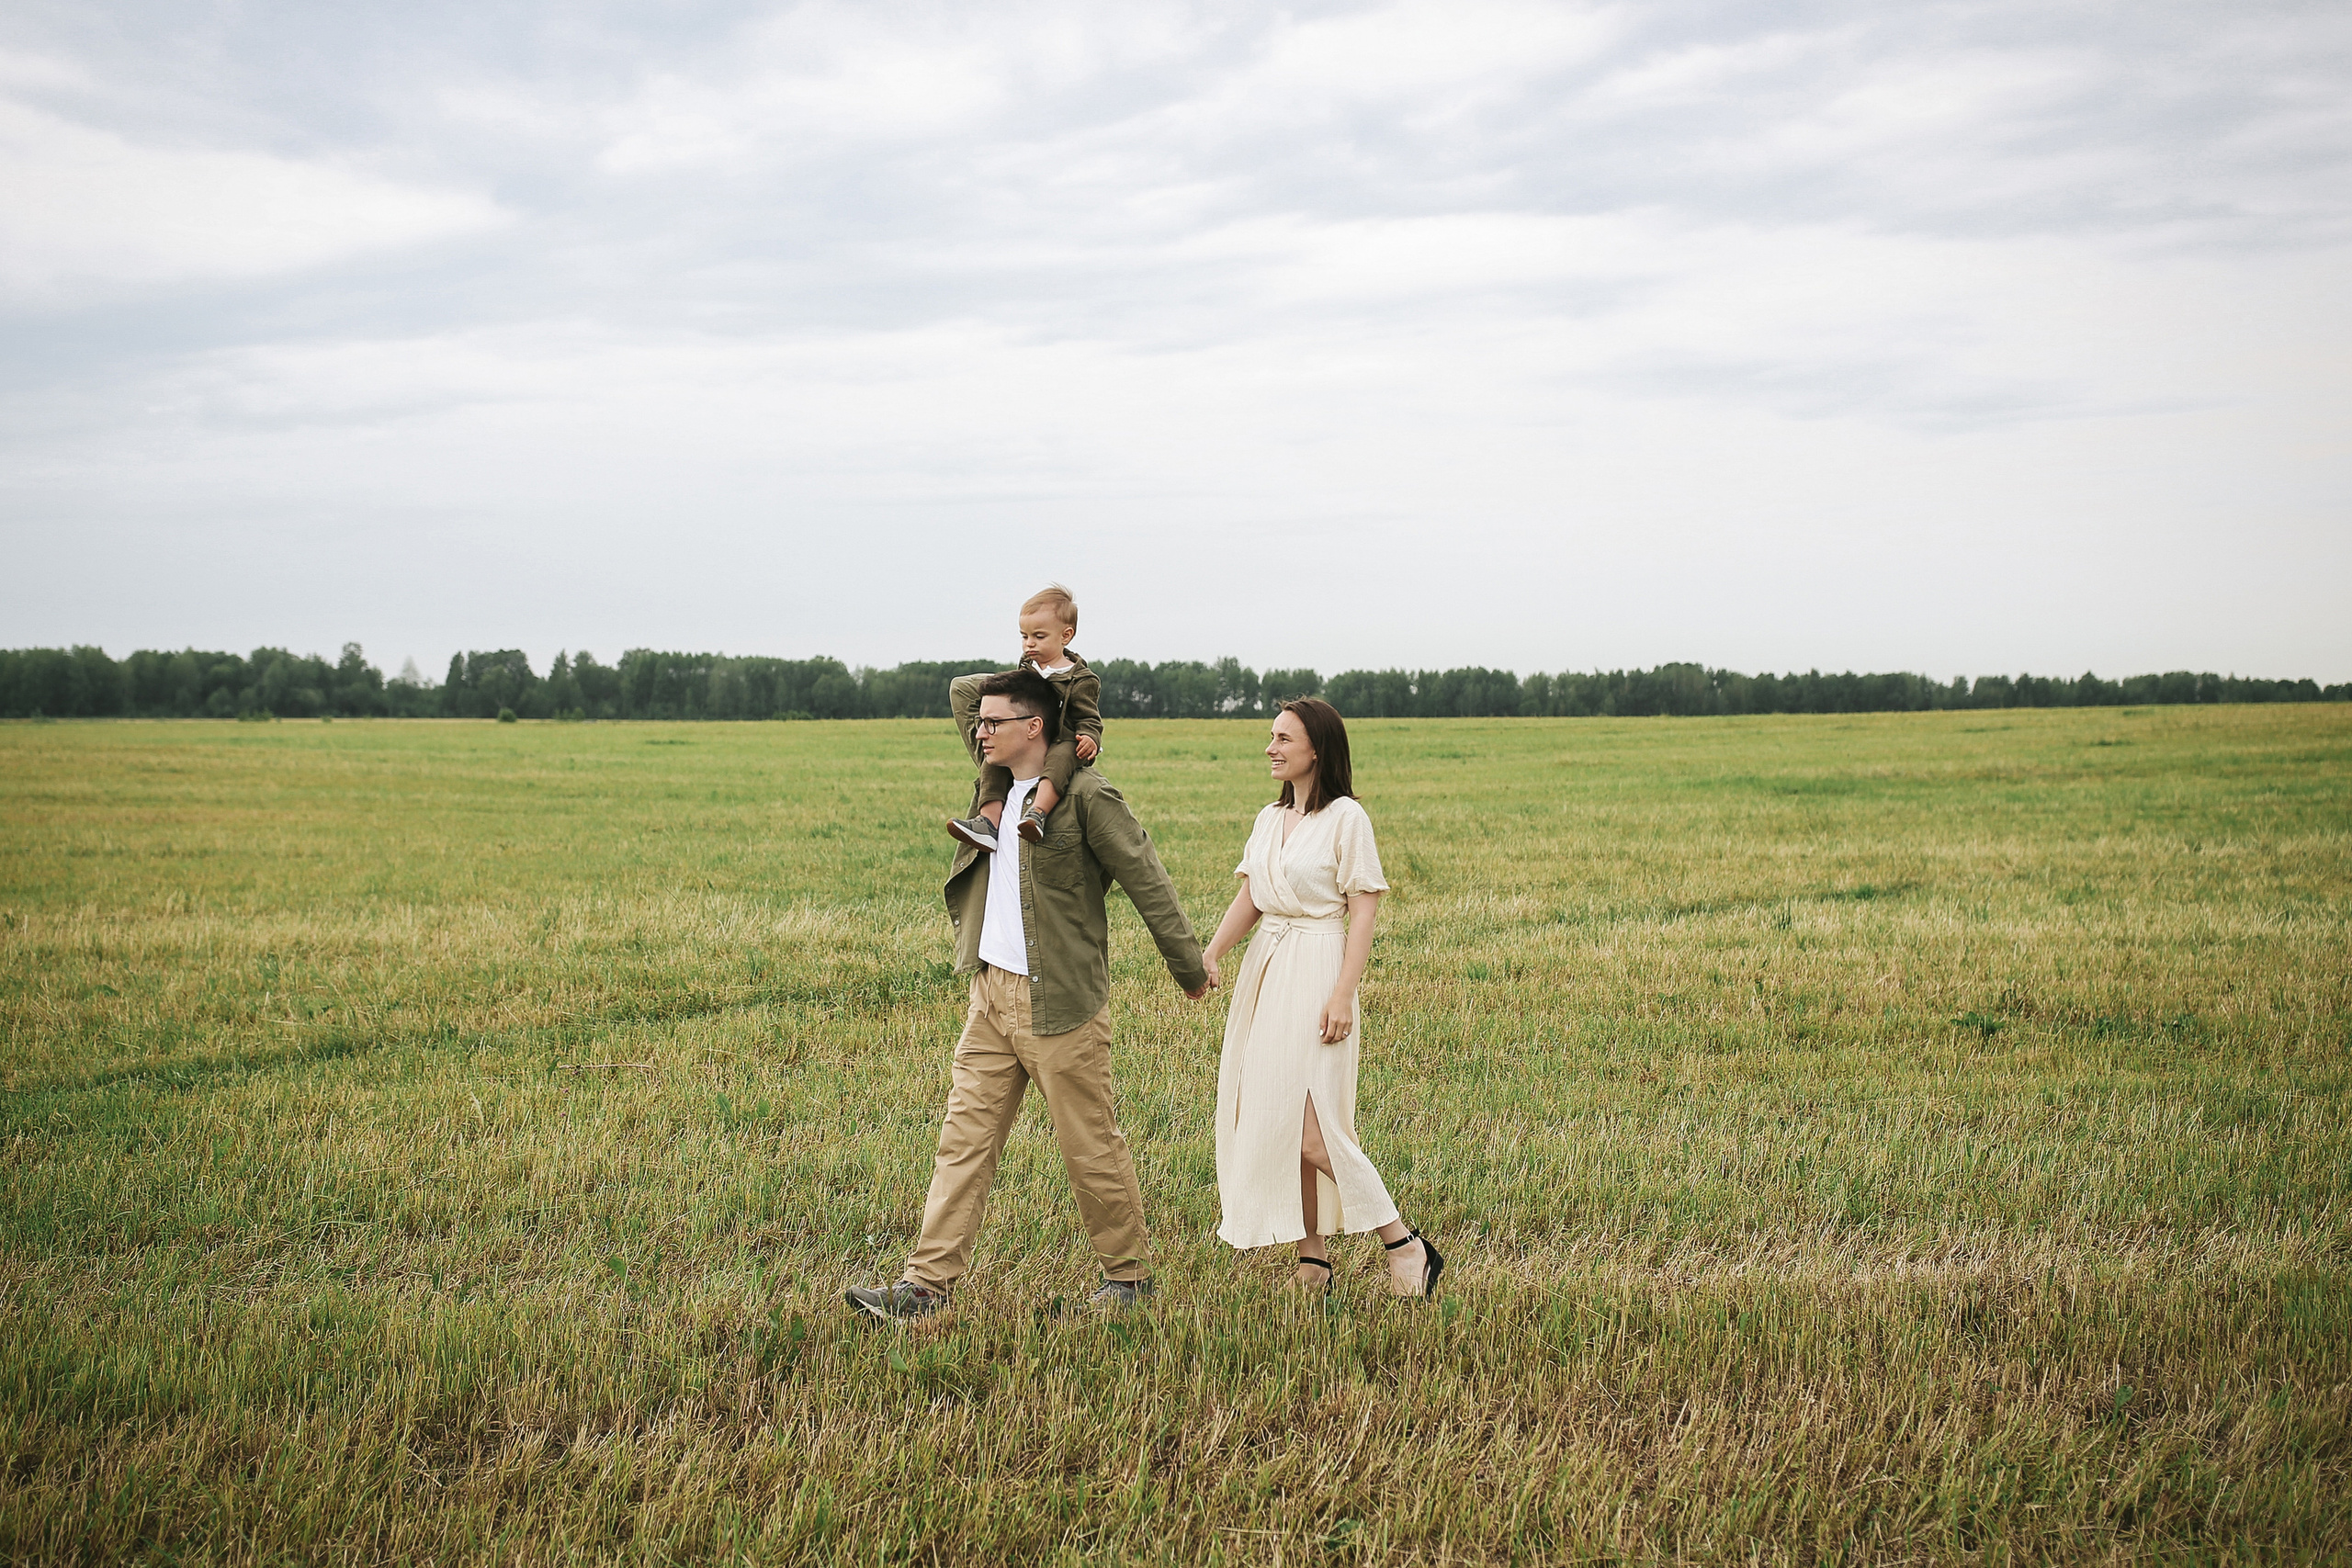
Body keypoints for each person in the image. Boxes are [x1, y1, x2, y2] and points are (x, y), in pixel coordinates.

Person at [847, 667, 1213, 1321]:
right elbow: (964, 689)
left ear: (1036, 727)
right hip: (990, 996)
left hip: (1061, 1004)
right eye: (981, 724)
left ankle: (1128, 1283)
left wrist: (1189, 968)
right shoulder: (997, 791)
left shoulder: (1086, 796)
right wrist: (1035, 663)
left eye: (995, 722)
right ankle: (925, 1286)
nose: (980, 730)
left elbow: (1147, 879)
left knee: (1090, 1144)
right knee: (964, 1141)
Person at [1199, 697, 1444, 1298]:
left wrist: (1343, 993)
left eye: (1283, 738)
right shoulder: (1267, 817)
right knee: (1280, 1120)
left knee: (1315, 1129)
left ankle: (1404, 1243)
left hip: (1318, 969)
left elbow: (1363, 914)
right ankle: (1314, 1262)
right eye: (1271, 736)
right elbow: (1252, 897)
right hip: (1267, 972)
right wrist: (1211, 953)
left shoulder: (1347, 819)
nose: (1271, 747)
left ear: (1317, 748)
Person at [944, 584, 1102, 852]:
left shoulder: (1080, 678)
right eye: (1024, 636)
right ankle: (988, 823)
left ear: (1066, 636)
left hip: (1062, 740)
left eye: (1039, 637)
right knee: (995, 756)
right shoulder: (1027, 666)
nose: (1029, 643)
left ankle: (1037, 814)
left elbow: (1089, 717)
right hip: (1025, 735)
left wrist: (1090, 737)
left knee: (1060, 758)